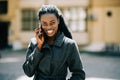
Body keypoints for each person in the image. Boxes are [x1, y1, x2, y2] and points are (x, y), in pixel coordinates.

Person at [22, 4, 85, 80]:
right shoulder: (34, 43)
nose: (48, 27)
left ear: (58, 21)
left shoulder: (69, 45)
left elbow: (79, 74)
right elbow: (28, 72)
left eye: (52, 23)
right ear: (40, 24)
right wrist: (39, 47)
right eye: (44, 23)